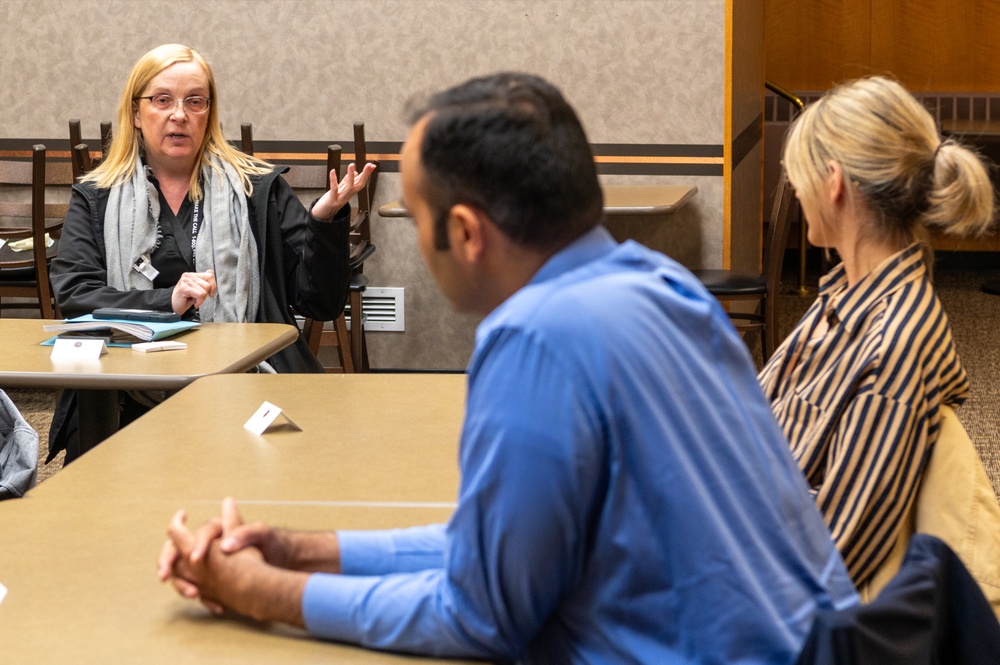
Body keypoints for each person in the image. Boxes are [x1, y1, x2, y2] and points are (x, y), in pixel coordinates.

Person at [158, 72, 858, 663]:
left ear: (464, 232)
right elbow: (492, 549)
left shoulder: (534, 339)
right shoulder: (664, 287)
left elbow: (481, 613)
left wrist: (257, 591)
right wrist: (297, 550)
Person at [48, 44, 374, 463]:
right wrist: (164, 301)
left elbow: (321, 301)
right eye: (162, 100)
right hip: (126, 396)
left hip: (248, 385)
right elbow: (75, 293)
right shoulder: (97, 197)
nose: (179, 114)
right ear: (135, 113)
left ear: (209, 113)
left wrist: (325, 220)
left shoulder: (258, 189)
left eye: (194, 101)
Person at [758, 76, 995, 592]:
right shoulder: (846, 296)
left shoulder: (893, 345)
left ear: (834, 182)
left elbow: (832, 562)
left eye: (795, 175)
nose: (794, 189)